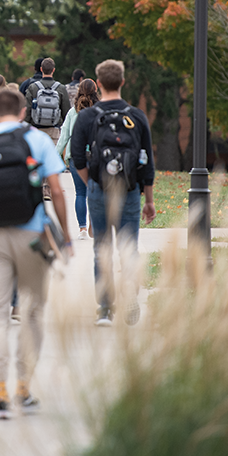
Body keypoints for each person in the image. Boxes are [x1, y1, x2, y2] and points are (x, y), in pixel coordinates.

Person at [0, 87, 68, 420]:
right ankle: (23, 388)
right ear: (23, 112)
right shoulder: (37, 141)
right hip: (32, 234)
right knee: (32, 314)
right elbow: (58, 191)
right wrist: (65, 237)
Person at [70, 60, 155, 326]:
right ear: (122, 82)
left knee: (102, 248)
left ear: (98, 83)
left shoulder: (87, 116)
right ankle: (130, 294)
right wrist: (148, 199)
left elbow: (76, 158)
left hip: (98, 189)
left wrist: (91, 182)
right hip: (129, 190)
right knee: (129, 247)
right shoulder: (137, 116)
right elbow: (147, 161)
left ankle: (105, 308)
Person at [57, 77, 97, 241]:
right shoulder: (99, 110)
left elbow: (63, 137)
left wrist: (54, 157)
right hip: (95, 157)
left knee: (80, 193)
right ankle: (93, 224)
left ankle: (81, 229)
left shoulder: (73, 112)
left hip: (75, 156)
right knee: (94, 192)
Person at [24, 58, 71, 148]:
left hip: (36, 129)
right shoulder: (61, 88)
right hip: (54, 130)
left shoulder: (33, 87)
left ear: (41, 69)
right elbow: (66, 112)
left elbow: (27, 111)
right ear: (53, 70)